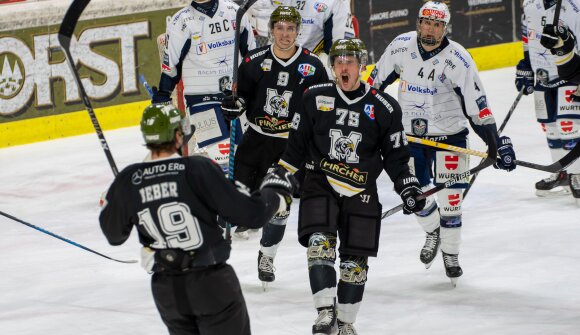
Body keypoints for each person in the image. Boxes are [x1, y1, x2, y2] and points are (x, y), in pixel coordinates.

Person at [99, 103, 297, 335]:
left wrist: (112, 201)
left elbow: (114, 235)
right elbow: (252, 214)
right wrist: (275, 193)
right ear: (177, 135)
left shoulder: (129, 179)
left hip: (167, 290)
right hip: (210, 283)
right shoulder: (195, 169)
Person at [278, 38, 426, 335]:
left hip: (362, 190)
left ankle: (345, 321)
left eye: (350, 62)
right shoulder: (313, 97)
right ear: (332, 66)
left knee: (353, 264)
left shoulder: (384, 107)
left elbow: (397, 157)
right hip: (320, 182)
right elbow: (296, 145)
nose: (344, 68)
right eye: (338, 62)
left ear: (361, 66)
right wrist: (281, 173)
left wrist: (408, 186)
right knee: (319, 245)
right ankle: (323, 311)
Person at [369, 1, 517, 285]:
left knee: (450, 203)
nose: (430, 29)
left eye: (437, 25)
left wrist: (495, 144)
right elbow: (373, 88)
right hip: (410, 138)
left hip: (450, 138)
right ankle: (432, 230)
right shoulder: (401, 47)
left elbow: (478, 108)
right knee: (416, 195)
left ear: (445, 28)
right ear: (418, 22)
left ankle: (451, 254)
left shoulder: (458, 59)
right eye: (426, 22)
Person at [221, 5, 328, 287]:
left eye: (290, 29)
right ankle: (216, 246)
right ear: (271, 30)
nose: (284, 34)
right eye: (279, 28)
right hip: (255, 141)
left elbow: (322, 108)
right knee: (236, 202)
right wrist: (234, 106)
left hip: (289, 149)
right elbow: (242, 97)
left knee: (280, 206)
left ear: (298, 31)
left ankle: (267, 255)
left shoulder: (313, 66)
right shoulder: (254, 61)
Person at [152, 0, 256, 172]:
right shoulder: (180, 22)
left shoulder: (234, 12)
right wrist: (163, 96)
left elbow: (252, 57)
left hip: (237, 97)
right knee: (220, 158)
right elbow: (171, 67)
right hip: (202, 100)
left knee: (244, 159)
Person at [517, 0, 580, 202]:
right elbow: (527, 38)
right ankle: (561, 171)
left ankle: (577, 173)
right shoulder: (529, 4)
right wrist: (525, 65)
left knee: (568, 125)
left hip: (569, 73)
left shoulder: (575, 5)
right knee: (550, 127)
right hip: (542, 75)